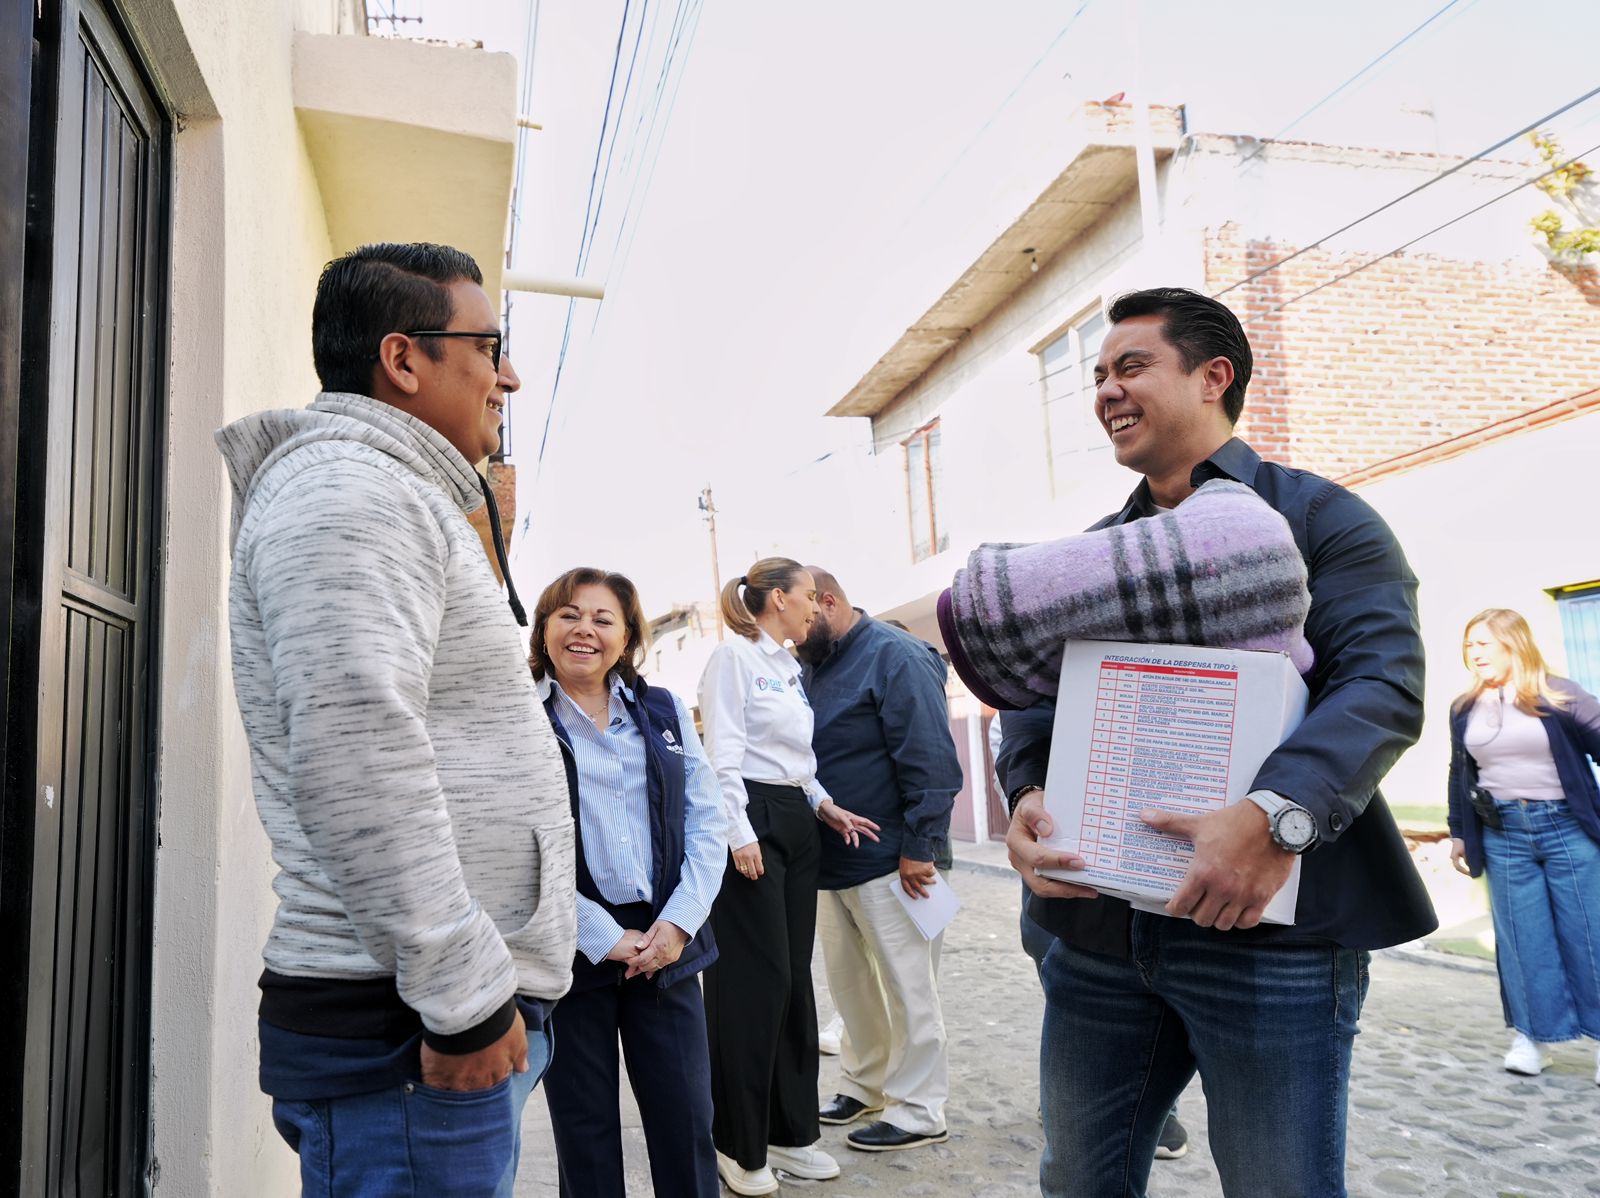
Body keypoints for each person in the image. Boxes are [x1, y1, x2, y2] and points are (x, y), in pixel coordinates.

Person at [998, 287, 1437, 1198]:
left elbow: (1381, 685)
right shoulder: (1094, 549)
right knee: (1076, 1180)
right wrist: (1027, 792)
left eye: (1131, 366)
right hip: (1101, 939)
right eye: (1098, 375)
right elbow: (1036, 700)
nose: (1106, 390)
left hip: (1270, 943)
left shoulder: (1324, 520)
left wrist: (1273, 816)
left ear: (1214, 376)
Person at [215, 242, 575, 1196]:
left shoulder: (387, 491)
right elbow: (358, 757)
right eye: (489, 346)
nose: (509, 376)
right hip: (410, 1035)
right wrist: (464, 1000)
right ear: (403, 359)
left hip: (423, 1023)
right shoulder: (350, 492)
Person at [529, 567, 726, 1196]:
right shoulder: (521, 719)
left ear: (627, 636)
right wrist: (600, 934)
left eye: (602, 618)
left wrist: (678, 924)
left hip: (666, 945)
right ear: (544, 630)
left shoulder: (662, 710)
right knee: (584, 1137)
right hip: (572, 949)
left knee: (686, 1123)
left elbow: (706, 819)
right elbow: (514, 847)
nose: (584, 629)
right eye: (568, 614)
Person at [697, 557, 882, 1197]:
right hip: (752, 821)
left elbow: (796, 761)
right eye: (808, 596)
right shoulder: (734, 659)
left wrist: (824, 804)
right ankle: (736, 1142)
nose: (815, 606)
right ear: (778, 598)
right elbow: (721, 756)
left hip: (797, 820)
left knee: (794, 982)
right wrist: (739, 834)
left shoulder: (789, 668)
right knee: (755, 982)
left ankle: (791, 1132)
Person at [797, 568, 962, 1153]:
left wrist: (919, 847)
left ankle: (919, 1110)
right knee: (851, 987)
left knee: (910, 989)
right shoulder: (812, 663)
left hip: (898, 860)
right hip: (832, 863)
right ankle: (865, 1084)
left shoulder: (897, 655)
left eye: (800, 619)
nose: (792, 633)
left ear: (827, 602)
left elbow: (932, 759)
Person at [1447, 608, 1600, 1085]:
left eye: (1484, 643)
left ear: (1514, 644)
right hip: (1503, 833)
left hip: (1567, 828)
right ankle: (1533, 1038)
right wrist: (1458, 831)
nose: (1474, 653)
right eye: (1469, 644)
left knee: (1589, 934)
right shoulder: (1464, 707)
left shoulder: (1560, 696)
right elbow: (1459, 772)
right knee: (1522, 938)